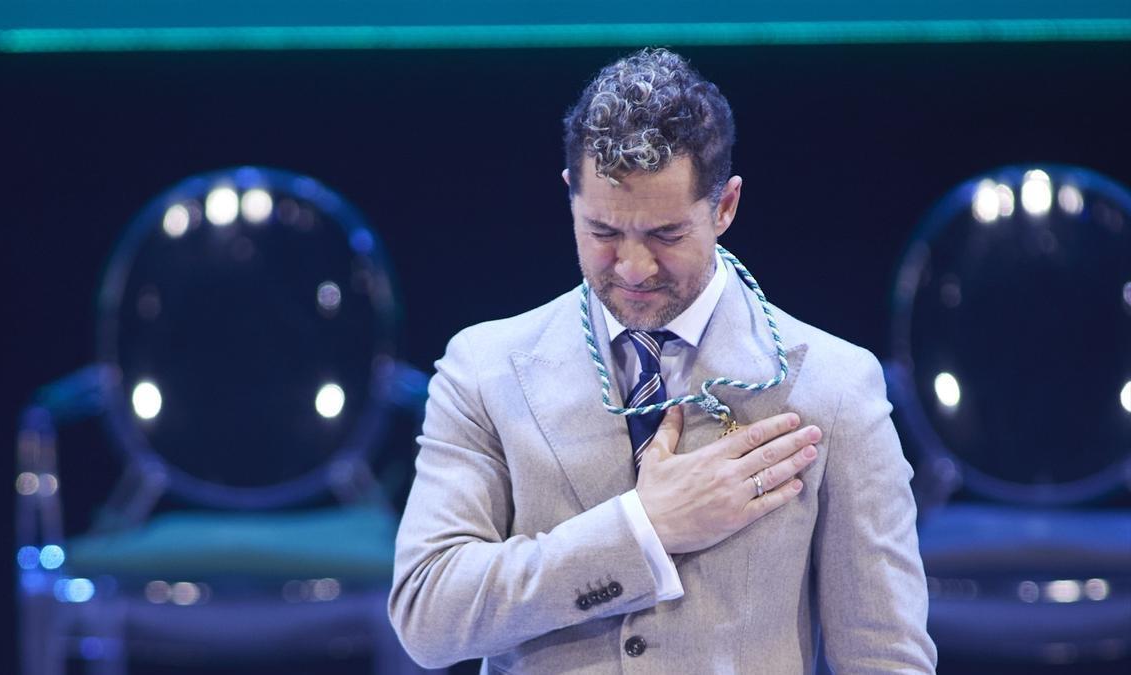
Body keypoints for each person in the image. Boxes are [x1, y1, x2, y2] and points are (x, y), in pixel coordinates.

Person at [389, 48, 936, 673]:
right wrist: (642, 529)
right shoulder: (483, 369)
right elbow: (426, 616)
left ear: (724, 207)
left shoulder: (833, 386)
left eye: (666, 235)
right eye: (603, 233)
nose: (634, 267)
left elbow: (885, 658)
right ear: (570, 195)